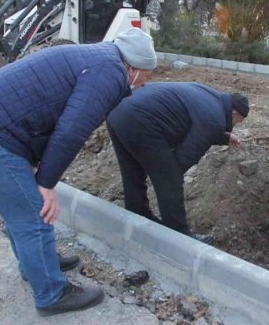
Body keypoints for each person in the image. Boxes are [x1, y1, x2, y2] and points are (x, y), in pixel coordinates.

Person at [0, 27, 156, 316]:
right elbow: (71, 130)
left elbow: (44, 109)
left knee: (21, 208)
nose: (142, 84)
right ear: (133, 67)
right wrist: (46, 182)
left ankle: (38, 265)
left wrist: (33, 163)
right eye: (144, 78)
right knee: (34, 214)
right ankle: (52, 294)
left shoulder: (96, 57)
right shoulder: (110, 73)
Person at [106, 82, 249, 245]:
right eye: (238, 121)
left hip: (118, 115)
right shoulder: (215, 118)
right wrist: (169, 176)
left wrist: (225, 138)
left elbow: (201, 128)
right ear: (234, 113)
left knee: (132, 172)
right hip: (141, 121)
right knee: (170, 178)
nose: (236, 125)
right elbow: (186, 155)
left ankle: (138, 215)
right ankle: (179, 236)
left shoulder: (210, 98)